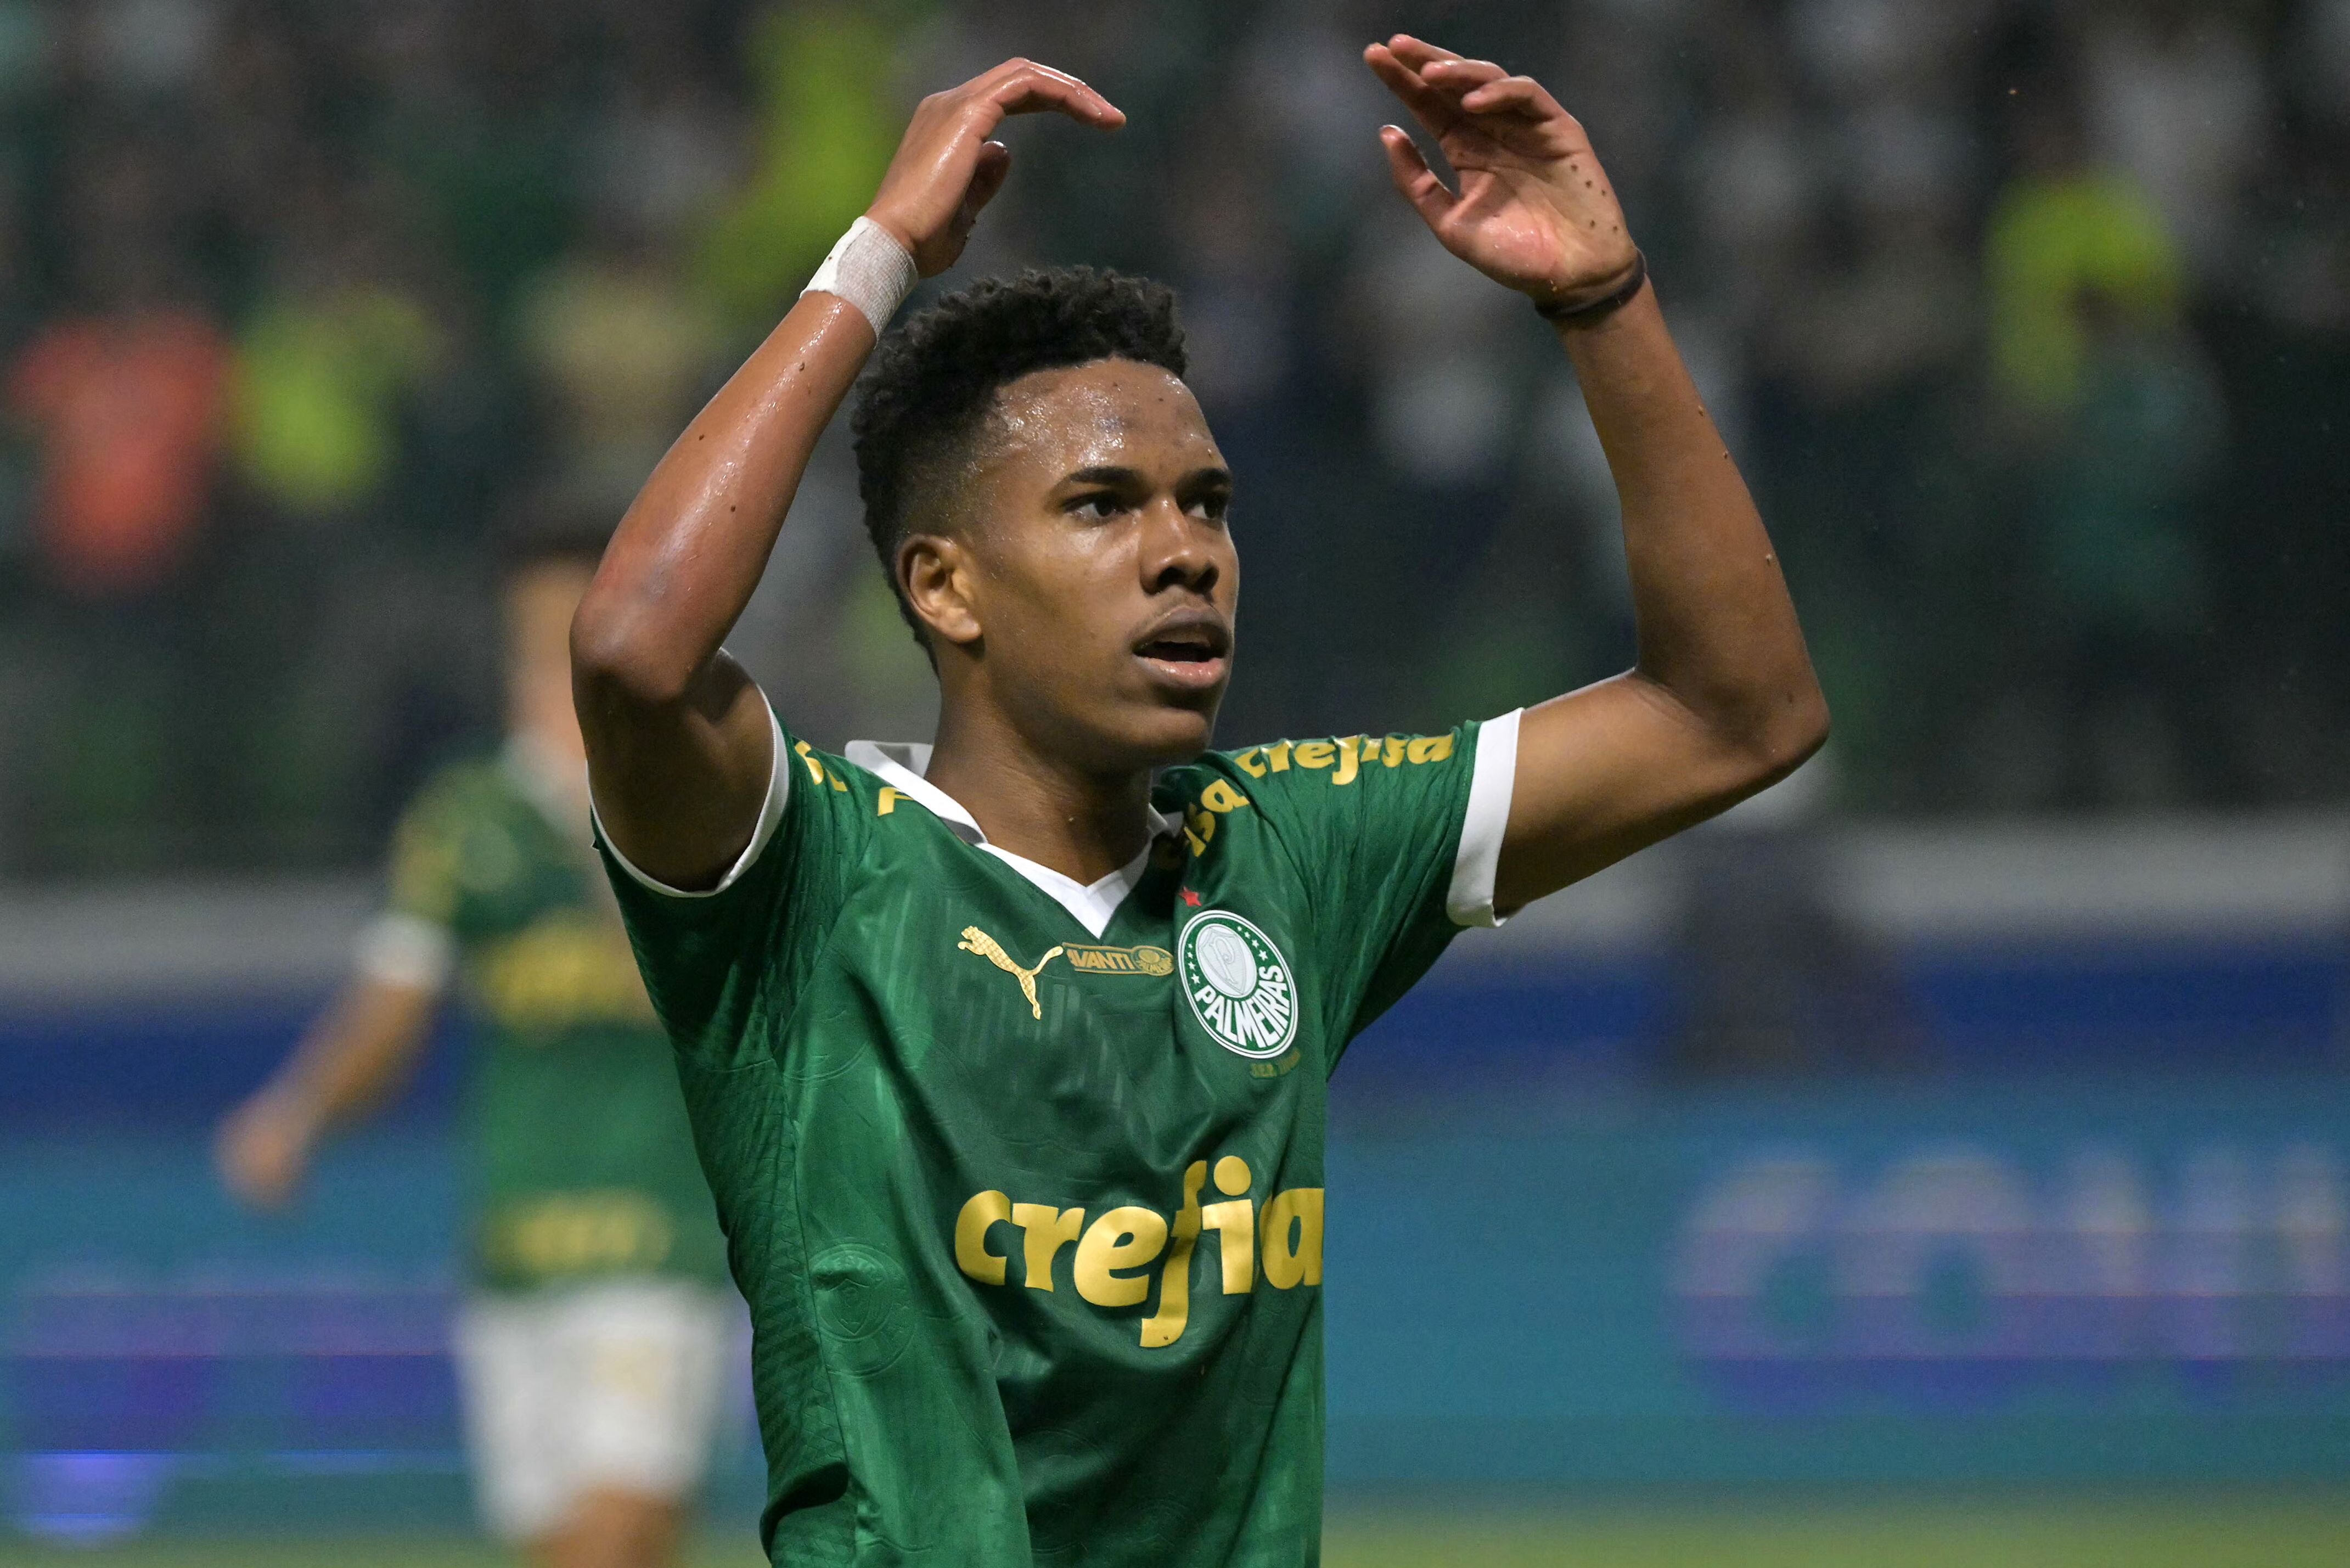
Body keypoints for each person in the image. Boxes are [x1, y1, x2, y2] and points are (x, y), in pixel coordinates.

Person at [570, 36, 1826, 1566]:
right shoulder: (806, 873)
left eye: (1208, 504)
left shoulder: (1290, 848)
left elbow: (1736, 713)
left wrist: (1602, 299)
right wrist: (880, 252)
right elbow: (637, 650)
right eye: (1102, 505)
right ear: (944, 587)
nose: (1186, 553)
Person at [216, 513, 735, 1568]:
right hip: (514, 1252)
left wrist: (611, 793)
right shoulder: (464, 820)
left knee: (615, 1534)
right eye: (532, 639)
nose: (552, 663)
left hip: (662, 1242)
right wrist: (300, 1112)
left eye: (577, 637)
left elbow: (701, 990)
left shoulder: (704, 798)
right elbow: (390, 1013)